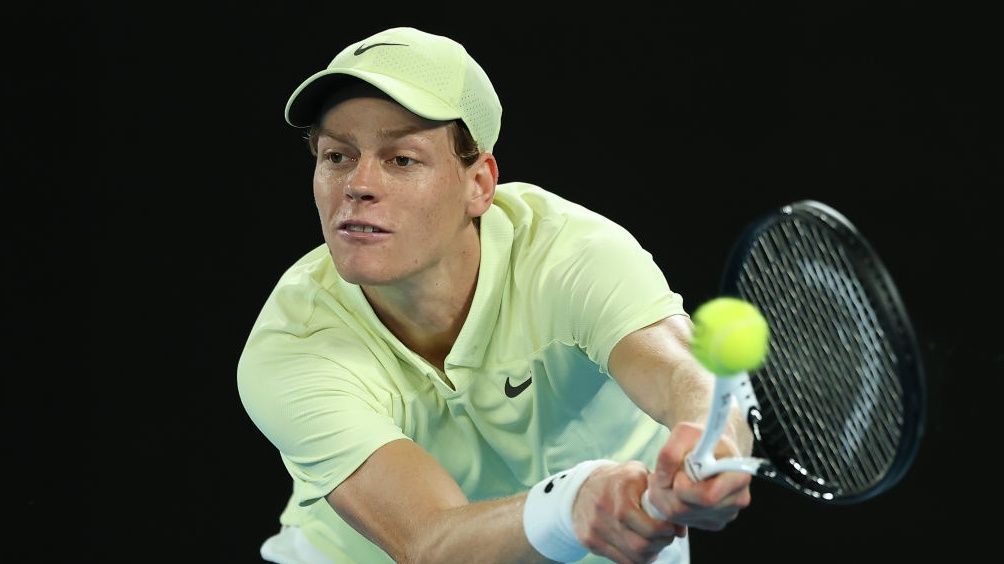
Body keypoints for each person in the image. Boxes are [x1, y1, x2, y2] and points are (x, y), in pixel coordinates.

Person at [237, 26, 753, 564]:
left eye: (402, 159)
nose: (357, 185)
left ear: (479, 184)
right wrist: (571, 505)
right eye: (337, 156)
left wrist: (709, 440)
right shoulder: (295, 342)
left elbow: (682, 371)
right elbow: (431, 541)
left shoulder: (571, 255)